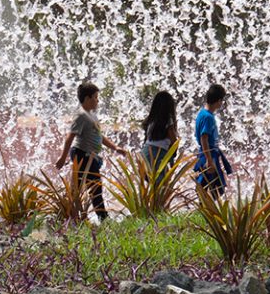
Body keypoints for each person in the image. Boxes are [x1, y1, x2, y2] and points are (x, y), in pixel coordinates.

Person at [53, 82, 125, 223]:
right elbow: (70, 138)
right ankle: (99, 218)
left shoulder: (91, 115)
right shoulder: (81, 116)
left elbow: (100, 136)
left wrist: (115, 147)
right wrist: (62, 157)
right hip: (82, 155)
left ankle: (71, 216)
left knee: (87, 187)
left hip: (90, 156)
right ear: (87, 99)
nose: (98, 101)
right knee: (92, 187)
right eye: (96, 97)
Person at [194, 84, 231, 199]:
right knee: (214, 185)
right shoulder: (208, 117)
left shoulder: (202, 114)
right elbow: (203, 138)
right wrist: (209, 160)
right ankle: (207, 209)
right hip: (209, 154)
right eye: (222, 101)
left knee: (209, 184)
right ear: (219, 100)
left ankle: (206, 208)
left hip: (207, 154)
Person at [141, 89, 178, 163]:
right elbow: (174, 141)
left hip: (146, 152)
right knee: (160, 174)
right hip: (159, 154)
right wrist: (174, 153)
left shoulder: (151, 119)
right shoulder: (167, 119)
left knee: (147, 174)